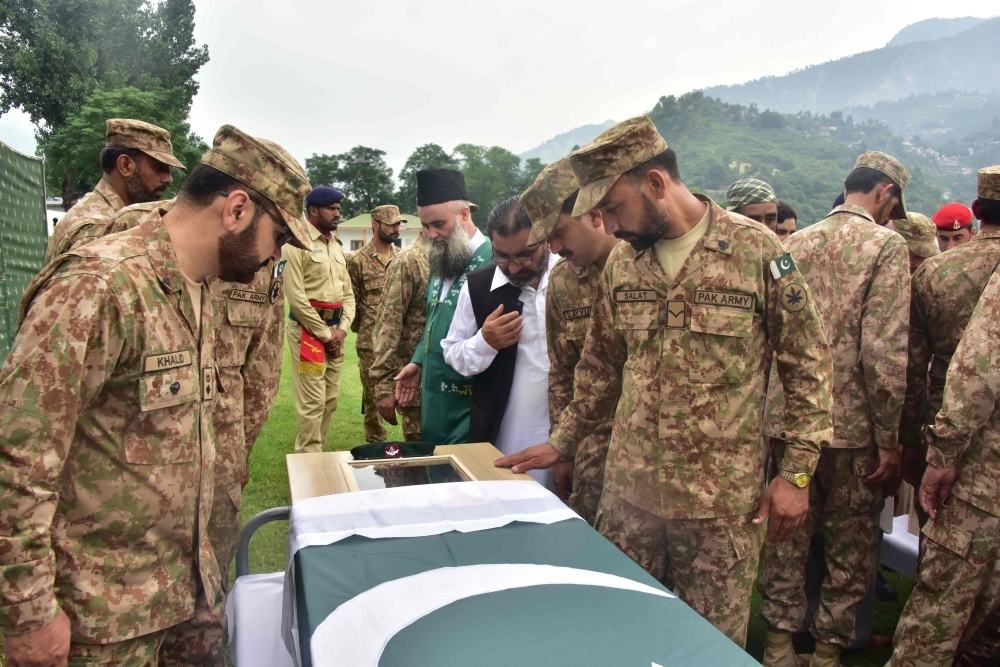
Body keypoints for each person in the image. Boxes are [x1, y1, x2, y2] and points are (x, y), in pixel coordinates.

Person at [496, 116, 833, 647]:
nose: (607, 223)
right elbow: (601, 370)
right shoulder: (623, 266)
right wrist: (561, 441)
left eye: (612, 208)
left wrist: (796, 475)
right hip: (630, 500)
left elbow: (808, 367)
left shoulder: (758, 252)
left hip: (718, 505)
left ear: (655, 184)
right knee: (624, 636)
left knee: (709, 646)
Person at [0, 124, 312, 666]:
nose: (273, 257)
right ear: (236, 209)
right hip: (104, 618)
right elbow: (18, 457)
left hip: (194, 594)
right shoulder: (100, 286)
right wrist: (27, 610)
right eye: (278, 237)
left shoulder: (208, 288)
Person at [759, 151, 911, 667]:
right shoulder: (885, 246)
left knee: (784, 537)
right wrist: (889, 438)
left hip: (789, 422)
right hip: (852, 428)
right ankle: (826, 653)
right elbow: (884, 352)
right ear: (885, 192)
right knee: (850, 546)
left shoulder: (791, 245)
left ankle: (778, 646)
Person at [104, 195, 288, 601]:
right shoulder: (125, 247)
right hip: (138, 475)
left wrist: (240, 448)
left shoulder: (263, 261)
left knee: (209, 592)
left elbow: (263, 363)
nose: (278, 250)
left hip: (221, 452)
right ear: (237, 210)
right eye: (278, 235)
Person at [889, 247, 1000, 666]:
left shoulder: (939, 272)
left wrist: (940, 452)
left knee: (934, 627)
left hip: (983, 478)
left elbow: (980, 370)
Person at [519, 156, 619, 521]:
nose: (555, 247)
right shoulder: (562, 282)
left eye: (559, 233)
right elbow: (561, 374)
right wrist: (564, 453)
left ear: (594, 214)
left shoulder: (645, 267)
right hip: (590, 455)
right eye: (547, 240)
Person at [441, 196, 560, 489]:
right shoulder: (479, 286)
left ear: (545, 240)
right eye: (502, 257)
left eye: (525, 255)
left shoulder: (572, 277)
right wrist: (485, 342)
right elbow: (453, 353)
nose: (515, 268)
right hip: (506, 434)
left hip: (573, 436)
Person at [900, 167, 1000, 498]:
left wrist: (910, 441)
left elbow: (912, 368)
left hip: (942, 423)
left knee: (937, 525)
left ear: (977, 210)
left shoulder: (934, 273)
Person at [394, 169, 492, 444]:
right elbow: (435, 321)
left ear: (463, 215)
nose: (431, 234)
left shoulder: (493, 264)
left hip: (470, 408)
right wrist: (418, 361)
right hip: (436, 400)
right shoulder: (444, 261)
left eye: (438, 224)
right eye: (425, 226)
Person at [45, 119, 185, 263]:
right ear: (125, 165)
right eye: (159, 167)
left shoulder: (100, 212)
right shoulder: (100, 229)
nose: (169, 179)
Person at [283, 186, 355, 453]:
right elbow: (297, 298)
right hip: (308, 333)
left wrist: (342, 330)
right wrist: (326, 336)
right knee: (313, 401)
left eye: (338, 209)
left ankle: (317, 453)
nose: (338, 214)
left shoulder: (335, 244)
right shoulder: (296, 243)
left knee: (330, 399)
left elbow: (348, 294)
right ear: (313, 210)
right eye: (332, 209)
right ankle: (309, 463)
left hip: (336, 331)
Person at [347, 205, 403, 442]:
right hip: (370, 342)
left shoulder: (403, 258)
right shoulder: (358, 261)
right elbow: (353, 301)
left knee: (406, 394)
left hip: (401, 342)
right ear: (375, 225)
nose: (396, 228)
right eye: (390, 224)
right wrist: (366, 330)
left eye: (398, 224)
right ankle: (375, 444)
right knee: (373, 399)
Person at [372, 233, 430, 441]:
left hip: (452, 383)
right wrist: (385, 386)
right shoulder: (408, 261)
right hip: (415, 385)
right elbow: (388, 324)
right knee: (422, 458)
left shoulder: (455, 259)